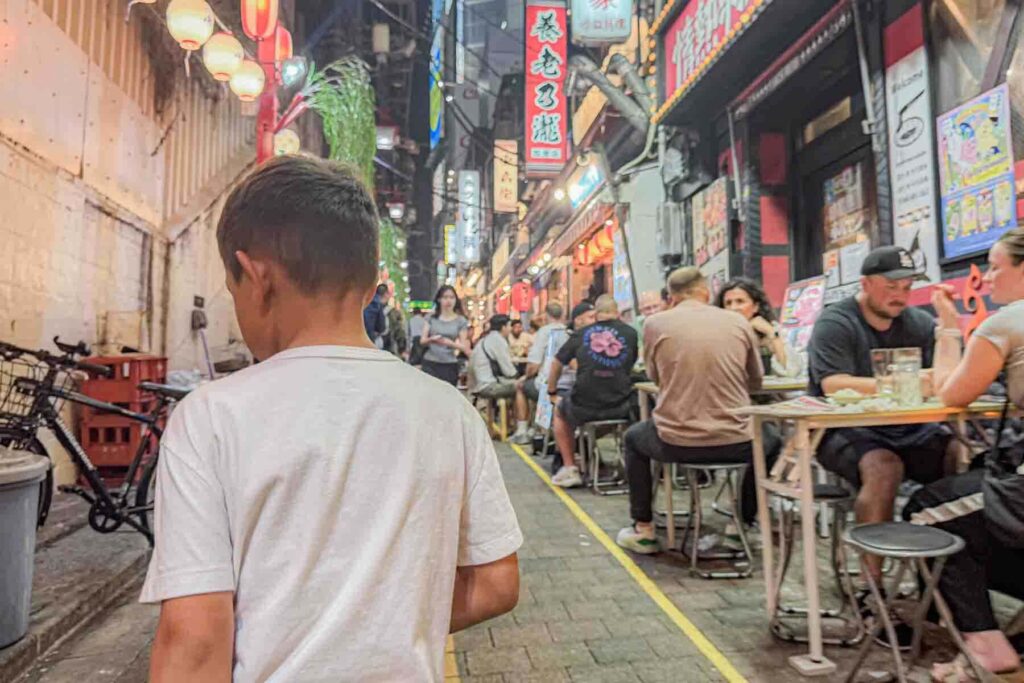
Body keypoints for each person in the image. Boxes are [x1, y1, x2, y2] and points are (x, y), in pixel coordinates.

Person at [141, 156, 521, 681]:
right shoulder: (448, 410)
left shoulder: (209, 418)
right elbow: (497, 582)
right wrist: (383, 625)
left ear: (256, 276)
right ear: (369, 285)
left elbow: (195, 642)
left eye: (234, 294)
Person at [807, 244, 960, 647]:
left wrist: (947, 325)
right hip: (844, 431)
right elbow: (832, 384)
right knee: (883, 467)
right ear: (866, 284)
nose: (900, 294)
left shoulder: (919, 321)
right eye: (891, 285)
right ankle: (870, 592)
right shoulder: (836, 322)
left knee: (959, 455)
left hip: (908, 428)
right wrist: (904, 382)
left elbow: (944, 379)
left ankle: (949, 583)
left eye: (908, 286)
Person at [903, 228, 1024, 680]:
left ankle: (985, 644)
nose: (988, 278)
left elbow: (951, 394)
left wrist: (949, 327)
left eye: (996, 266)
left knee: (927, 509)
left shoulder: (1007, 321)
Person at [617, 267, 764, 554]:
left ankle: (644, 529)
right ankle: (741, 525)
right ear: (706, 292)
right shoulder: (738, 322)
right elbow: (755, 381)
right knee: (771, 443)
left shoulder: (654, 324)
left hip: (676, 443)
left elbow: (656, 377)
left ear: (670, 297)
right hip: (737, 442)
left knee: (633, 438)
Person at [547, 295, 638, 488]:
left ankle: (570, 467)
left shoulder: (581, 334)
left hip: (584, 405)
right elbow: (631, 364)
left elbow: (556, 362)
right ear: (618, 313)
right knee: (633, 410)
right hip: (620, 406)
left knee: (559, 412)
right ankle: (630, 466)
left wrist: (552, 391)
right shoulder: (630, 333)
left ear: (596, 315)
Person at [716, 278, 803, 377]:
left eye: (740, 302)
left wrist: (771, 333)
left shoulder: (770, 330)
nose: (733, 308)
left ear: (755, 307)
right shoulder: (717, 336)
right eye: (728, 303)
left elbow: (792, 372)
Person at [511, 302, 569, 443]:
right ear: (562, 315)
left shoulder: (544, 332)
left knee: (521, 386)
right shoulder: (568, 331)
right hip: (568, 384)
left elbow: (533, 366)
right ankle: (538, 426)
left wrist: (525, 377)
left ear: (546, 316)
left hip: (548, 386)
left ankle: (522, 430)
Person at [469, 316, 525, 419]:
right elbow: (509, 372)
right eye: (509, 326)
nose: (510, 329)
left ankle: (507, 422)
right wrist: (522, 376)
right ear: (503, 327)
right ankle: (520, 427)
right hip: (488, 386)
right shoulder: (497, 340)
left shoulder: (488, 338)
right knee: (522, 387)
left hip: (480, 384)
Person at [421, 285, 472, 386]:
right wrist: (431, 339)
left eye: (452, 297)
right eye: (445, 297)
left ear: (455, 300)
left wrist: (449, 343)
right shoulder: (430, 318)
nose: (448, 301)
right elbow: (422, 341)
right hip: (430, 363)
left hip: (449, 364)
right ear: (439, 299)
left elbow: (463, 347)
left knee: (448, 397)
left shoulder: (461, 321)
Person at [363, 283, 389, 347]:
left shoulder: (365, 300)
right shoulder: (377, 305)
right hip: (368, 339)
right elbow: (381, 327)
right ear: (385, 294)